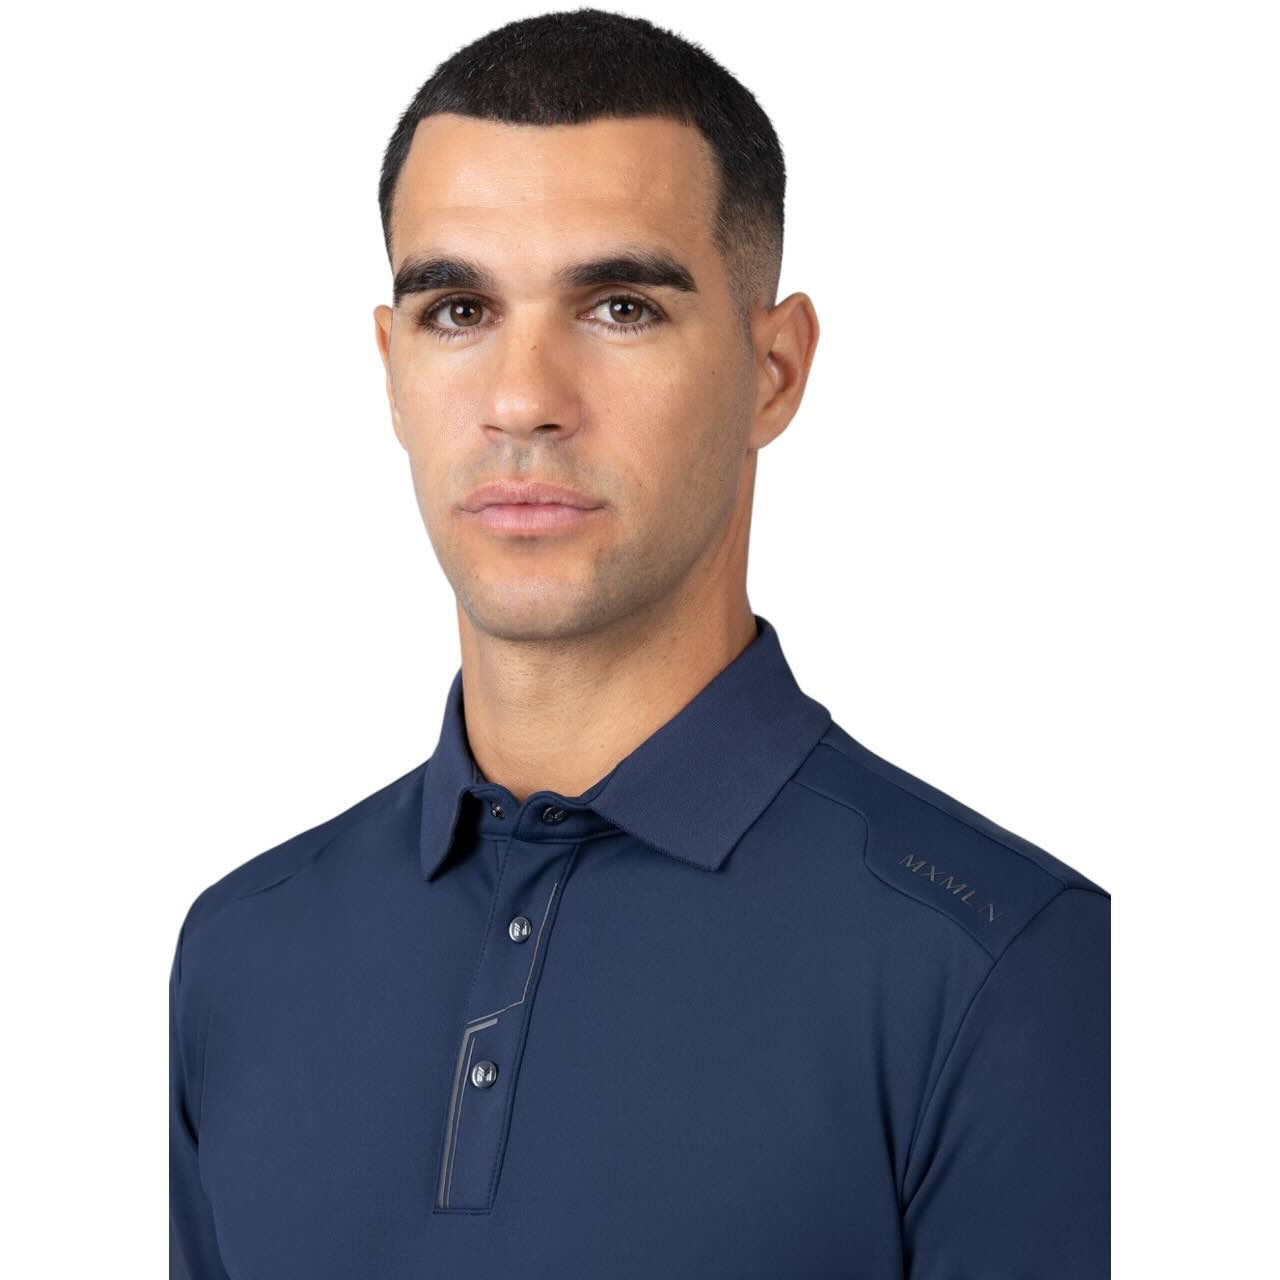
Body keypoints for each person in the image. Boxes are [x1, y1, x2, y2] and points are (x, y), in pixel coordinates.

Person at [169, 9, 1110, 1278]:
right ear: (389, 368)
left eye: (619, 306)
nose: (522, 400)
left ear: (773, 371)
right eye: (458, 308)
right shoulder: (237, 956)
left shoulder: (1011, 966)